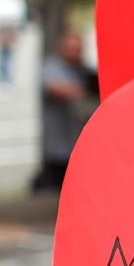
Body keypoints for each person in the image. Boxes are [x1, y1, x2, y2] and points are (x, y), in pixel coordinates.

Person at [34, 30, 97, 191]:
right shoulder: (53, 68)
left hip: (78, 145)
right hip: (59, 146)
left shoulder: (84, 71)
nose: (74, 53)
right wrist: (85, 91)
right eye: (70, 48)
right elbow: (55, 87)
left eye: (77, 49)